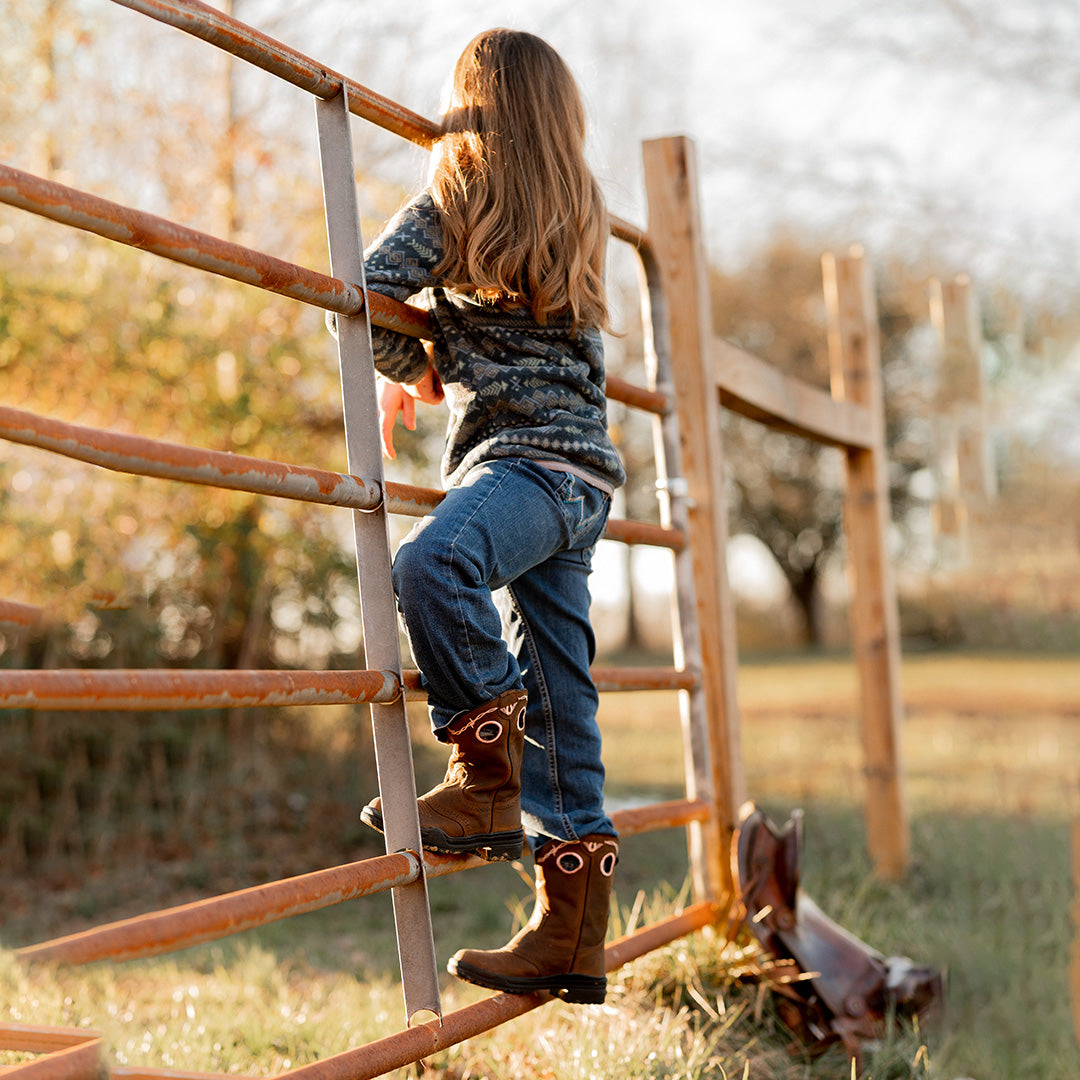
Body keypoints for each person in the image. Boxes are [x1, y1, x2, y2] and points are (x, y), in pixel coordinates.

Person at [340, 28, 624, 1006]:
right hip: (584, 483)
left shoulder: (455, 200)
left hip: (522, 471)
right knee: (562, 701)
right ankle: (571, 936)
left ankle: (486, 779)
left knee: (433, 564)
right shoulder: (580, 205)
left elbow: (364, 290)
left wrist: (413, 367)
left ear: (466, 113)